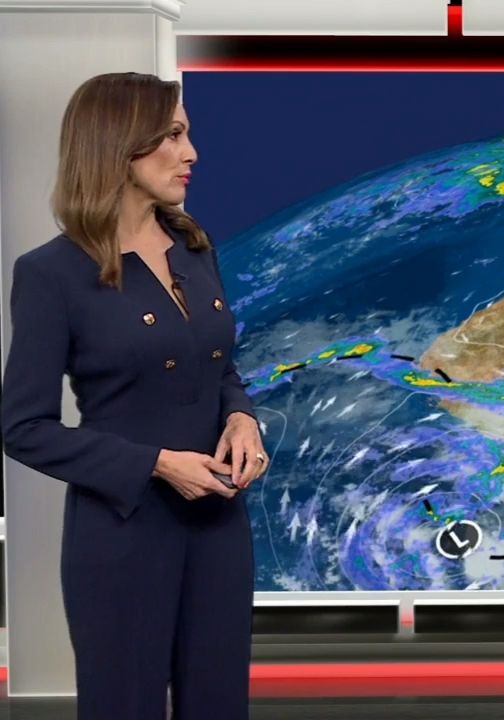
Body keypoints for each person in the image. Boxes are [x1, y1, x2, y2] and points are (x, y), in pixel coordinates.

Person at [1, 71, 269, 720]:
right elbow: (23, 427)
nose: (190, 153)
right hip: (123, 535)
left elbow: (217, 368)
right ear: (118, 144)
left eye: (187, 134)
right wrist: (155, 464)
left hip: (218, 527)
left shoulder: (194, 248)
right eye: (171, 136)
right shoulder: (51, 274)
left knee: (219, 705)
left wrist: (241, 417)